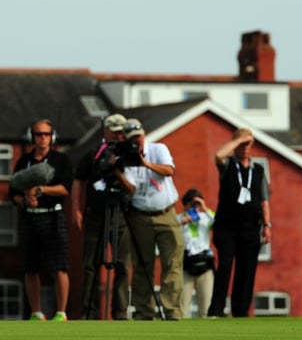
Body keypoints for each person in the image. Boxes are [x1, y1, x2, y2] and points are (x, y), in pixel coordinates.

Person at [120, 119, 184, 320]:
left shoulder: (158, 149)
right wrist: (116, 171)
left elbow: (169, 170)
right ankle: (143, 313)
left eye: (138, 137)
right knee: (142, 265)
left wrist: (145, 163)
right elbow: (130, 189)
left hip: (166, 212)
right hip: (140, 216)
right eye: (131, 138)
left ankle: (172, 311)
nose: (136, 142)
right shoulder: (125, 158)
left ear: (144, 134)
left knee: (172, 262)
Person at [10, 119, 73, 321]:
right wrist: (26, 201)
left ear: (52, 137)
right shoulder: (23, 161)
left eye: (46, 134)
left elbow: (66, 188)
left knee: (59, 266)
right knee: (31, 266)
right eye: (38, 134)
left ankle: (61, 312)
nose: (42, 138)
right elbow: (13, 193)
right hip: (30, 218)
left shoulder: (61, 160)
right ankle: (36, 312)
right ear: (32, 137)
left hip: (53, 215)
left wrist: (41, 190)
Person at [72, 113, 133, 320]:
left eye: (120, 133)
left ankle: (121, 311)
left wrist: (117, 169)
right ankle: (88, 312)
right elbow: (79, 180)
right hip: (96, 214)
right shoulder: (93, 154)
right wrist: (77, 209)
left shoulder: (129, 155)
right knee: (90, 264)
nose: (117, 137)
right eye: (114, 132)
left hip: (121, 214)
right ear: (106, 131)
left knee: (122, 264)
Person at [207, 128, 271, 318]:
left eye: (248, 144)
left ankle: (241, 310)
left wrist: (267, 225)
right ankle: (216, 310)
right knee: (225, 267)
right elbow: (218, 156)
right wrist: (238, 140)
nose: (245, 148)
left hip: (250, 227)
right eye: (241, 144)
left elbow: (264, 199)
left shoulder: (258, 170)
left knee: (247, 269)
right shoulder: (228, 165)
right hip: (227, 226)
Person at [177, 189, 215, 318]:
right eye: (192, 203)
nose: (195, 206)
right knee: (182, 308)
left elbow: (219, 223)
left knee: (206, 309)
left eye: (197, 203)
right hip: (186, 266)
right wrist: (182, 223)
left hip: (204, 265)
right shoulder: (179, 218)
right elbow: (170, 233)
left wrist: (204, 207)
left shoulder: (206, 218)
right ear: (185, 204)